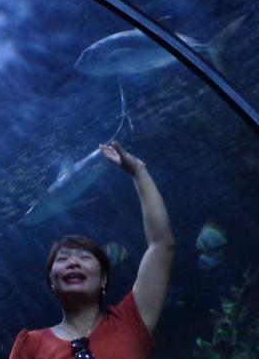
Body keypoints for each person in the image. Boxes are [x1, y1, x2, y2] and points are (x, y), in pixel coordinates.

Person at [9, 141, 175, 359]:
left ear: (104, 278)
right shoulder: (29, 346)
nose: (73, 262)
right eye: (63, 258)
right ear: (51, 281)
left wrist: (139, 172)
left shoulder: (131, 321)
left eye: (84, 257)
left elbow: (161, 244)